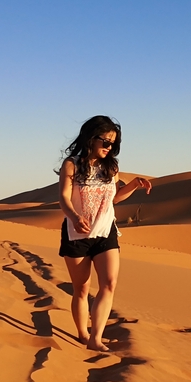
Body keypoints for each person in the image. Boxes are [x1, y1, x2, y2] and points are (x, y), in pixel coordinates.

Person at [57, 115, 152, 351]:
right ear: (91, 138)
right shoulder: (72, 165)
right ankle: (82, 332)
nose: (110, 147)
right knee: (81, 289)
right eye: (106, 142)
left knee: (109, 283)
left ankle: (95, 338)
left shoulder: (111, 167)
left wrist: (133, 185)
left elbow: (113, 199)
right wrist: (75, 216)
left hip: (105, 232)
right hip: (77, 234)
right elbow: (64, 198)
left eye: (113, 143)